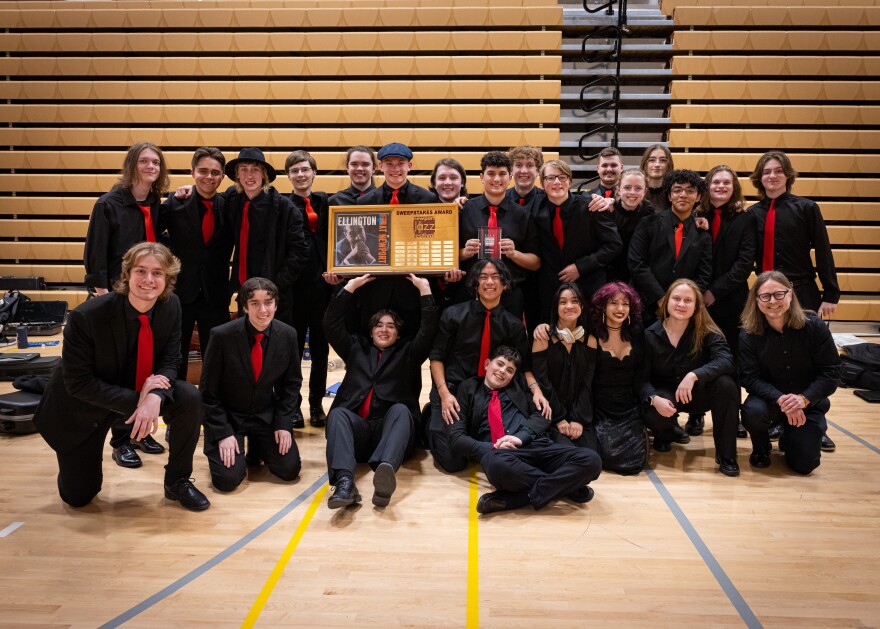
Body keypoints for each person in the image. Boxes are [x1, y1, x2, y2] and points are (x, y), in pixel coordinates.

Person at [33, 242, 210, 510]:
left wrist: (155, 396)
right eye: (141, 271)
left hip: (132, 392)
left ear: (168, 278)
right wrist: (142, 400)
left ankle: (178, 481)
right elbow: (78, 383)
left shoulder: (171, 305)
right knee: (79, 497)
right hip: (84, 407)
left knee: (189, 397)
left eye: (157, 273)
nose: (148, 280)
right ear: (127, 274)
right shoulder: (86, 317)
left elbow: (171, 359)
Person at [83, 141, 170, 461]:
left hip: (149, 295)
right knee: (120, 369)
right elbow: (95, 252)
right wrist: (103, 295)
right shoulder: (108, 204)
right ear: (132, 164)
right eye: (145, 161)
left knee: (146, 364)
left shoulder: (156, 203)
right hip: (117, 297)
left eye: (156, 163)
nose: (151, 167)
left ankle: (142, 431)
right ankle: (120, 439)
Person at [748, 150, 840, 452]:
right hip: (767, 294)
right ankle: (778, 417)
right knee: (775, 358)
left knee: (807, 362)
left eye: (777, 171)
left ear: (787, 174)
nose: (771, 176)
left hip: (802, 290)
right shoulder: (753, 213)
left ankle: (815, 421)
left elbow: (823, 250)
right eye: (766, 172)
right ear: (759, 178)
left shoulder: (806, 208)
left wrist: (831, 293)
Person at [323, 273, 439, 509]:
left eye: (391, 326)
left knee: (401, 410)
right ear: (371, 329)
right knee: (337, 414)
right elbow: (330, 324)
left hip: (390, 435)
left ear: (399, 332)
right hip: (359, 432)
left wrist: (425, 290)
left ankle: (385, 474)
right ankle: (345, 483)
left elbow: (428, 329)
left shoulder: (410, 352)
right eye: (379, 325)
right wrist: (350, 287)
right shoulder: (355, 346)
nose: (384, 330)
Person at [448, 346, 602, 514]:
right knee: (494, 464)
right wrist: (492, 448)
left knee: (592, 460)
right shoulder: (468, 388)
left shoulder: (518, 386)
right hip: (503, 454)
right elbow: (456, 437)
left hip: (537, 445)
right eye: (499, 364)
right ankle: (566, 488)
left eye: (509, 370)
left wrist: (521, 437)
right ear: (487, 364)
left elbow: (543, 415)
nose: (502, 371)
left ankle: (519, 498)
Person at [200, 277, 302, 491]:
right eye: (255, 303)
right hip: (229, 417)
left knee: (289, 469)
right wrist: (222, 432)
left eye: (268, 302)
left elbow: (291, 385)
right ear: (245, 306)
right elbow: (208, 393)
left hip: (265, 415)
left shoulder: (288, 335)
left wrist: (284, 423)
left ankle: (257, 445)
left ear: (276, 304)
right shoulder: (221, 336)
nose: (262, 309)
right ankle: (236, 445)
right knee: (227, 480)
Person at [428, 259, 530, 473]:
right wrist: (444, 394)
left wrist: (536, 390)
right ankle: (430, 417)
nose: (489, 282)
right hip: (453, 391)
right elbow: (436, 357)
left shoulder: (513, 325)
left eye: (495, 277)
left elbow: (525, 366)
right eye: (483, 277)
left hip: (488, 393)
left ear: (505, 285)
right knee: (453, 462)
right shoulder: (453, 315)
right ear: (475, 283)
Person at [738, 271, 841, 474]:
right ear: (756, 300)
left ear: (790, 294)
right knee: (752, 411)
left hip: (807, 404)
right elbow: (749, 378)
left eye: (779, 294)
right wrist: (781, 399)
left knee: (805, 465)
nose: (772, 301)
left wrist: (804, 399)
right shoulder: (748, 333)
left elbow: (832, 372)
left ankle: (791, 435)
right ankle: (762, 446)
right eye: (765, 296)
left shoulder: (815, 326)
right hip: (769, 402)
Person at [637, 279, 740, 477]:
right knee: (653, 414)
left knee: (726, 386)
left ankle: (727, 455)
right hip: (667, 395)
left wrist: (694, 375)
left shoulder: (707, 331)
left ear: (696, 306)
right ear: (666, 301)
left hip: (699, 394)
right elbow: (640, 378)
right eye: (676, 299)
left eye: (688, 300)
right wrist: (653, 398)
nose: (681, 304)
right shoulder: (649, 334)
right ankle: (665, 432)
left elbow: (726, 361)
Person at [157, 146, 233, 381]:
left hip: (216, 292)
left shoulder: (230, 205)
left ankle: (212, 404)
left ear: (222, 176)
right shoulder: (174, 203)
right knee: (175, 352)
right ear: (192, 172)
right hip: (180, 290)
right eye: (203, 171)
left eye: (215, 172)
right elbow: (153, 234)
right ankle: (176, 403)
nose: (209, 177)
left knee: (216, 353)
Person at [698, 165, 755, 439]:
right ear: (707, 186)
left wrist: (715, 292)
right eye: (715, 182)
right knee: (697, 354)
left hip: (731, 300)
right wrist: (701, 291)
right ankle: (695, 414)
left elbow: (745, 263)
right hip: (698, 299)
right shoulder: (697, 215)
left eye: (726, 183)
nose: (720, 187)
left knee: (732, 357)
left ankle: (732, 416)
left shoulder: (745, 219)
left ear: (734, 188)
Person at [534, 159, 621, 321]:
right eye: (551, 178)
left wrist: (581, 267)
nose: (557, 182)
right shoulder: (535, 208)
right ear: (542, 182)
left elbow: (614, 245)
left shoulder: (591, 205)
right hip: (550, 292)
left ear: (570, 181)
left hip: (587, 286)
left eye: (562, 177)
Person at [457, 151, 541, 319]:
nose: (497, 179)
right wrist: (464, 253)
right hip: (470, 293)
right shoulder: (464, 211)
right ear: (481, 177)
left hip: (510, 296)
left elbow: (536, 263)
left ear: (510, 177)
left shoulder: (523, 215)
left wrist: (514, 254)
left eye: (502, 174)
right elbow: (447, 257)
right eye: (491, 174)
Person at [628, 169, 712, 327]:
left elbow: (703, 274)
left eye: (690, 191)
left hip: (682, 311)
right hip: (646, 305)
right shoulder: (648, 223)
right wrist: (661, 298)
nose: (683, 195)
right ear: (669, 195)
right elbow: (637, 264)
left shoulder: (703, 234)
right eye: (677, 190)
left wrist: (684, 301)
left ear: (698, 196)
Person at [285, 149, 332, 428]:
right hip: (295, 289)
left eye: (305, 169)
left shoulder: (327, 201)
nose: (300, 175)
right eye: (295, 171)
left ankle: (316, 405)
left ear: (314, 172)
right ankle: (292, 406)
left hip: (324, 289)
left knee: (320, 351)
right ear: (288, 176)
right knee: (292, 352)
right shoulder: (280, 204)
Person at [588, 282, 648, 474]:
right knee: (604, 456)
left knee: (636, 462)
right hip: (600, 408)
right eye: (614, 303)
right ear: (602, 306)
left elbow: (641, 376)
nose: (620, 309)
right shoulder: (591, 335)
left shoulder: (637, 335)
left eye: (625, 304)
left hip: (629, 407)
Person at [531, 283, 596, 450]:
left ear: (582, 305)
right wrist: (559, 418)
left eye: (574, 301)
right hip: (549, 413)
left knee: (590, 454)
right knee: (565, 452)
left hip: (578, 413)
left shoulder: (590, 340)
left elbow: (587, 384)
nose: (569, 306)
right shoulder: (543, 338)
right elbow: (543, 382)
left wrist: (578, 419)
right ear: (555, 307)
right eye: (563, 302)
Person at [606, 168, 653, 284]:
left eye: (638, 188)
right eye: (627, 187)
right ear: (618, 190)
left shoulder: (651, 214)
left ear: (645, 192)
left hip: (638, 275)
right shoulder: (608, 211)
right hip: (609, 272)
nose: (632, 192)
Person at [505, 145, 545, 216]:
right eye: (518, 165)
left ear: (538, 171)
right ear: (511, 170)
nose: (524, 171)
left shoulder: (546, 200)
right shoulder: (502, 199)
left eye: (529, 165)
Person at [639, 143, 674, 212]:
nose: (657, 164)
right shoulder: (636, 191)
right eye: (652, 160)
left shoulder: (674, 193)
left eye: (663, 160)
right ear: (645, 164)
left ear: (668, 165)